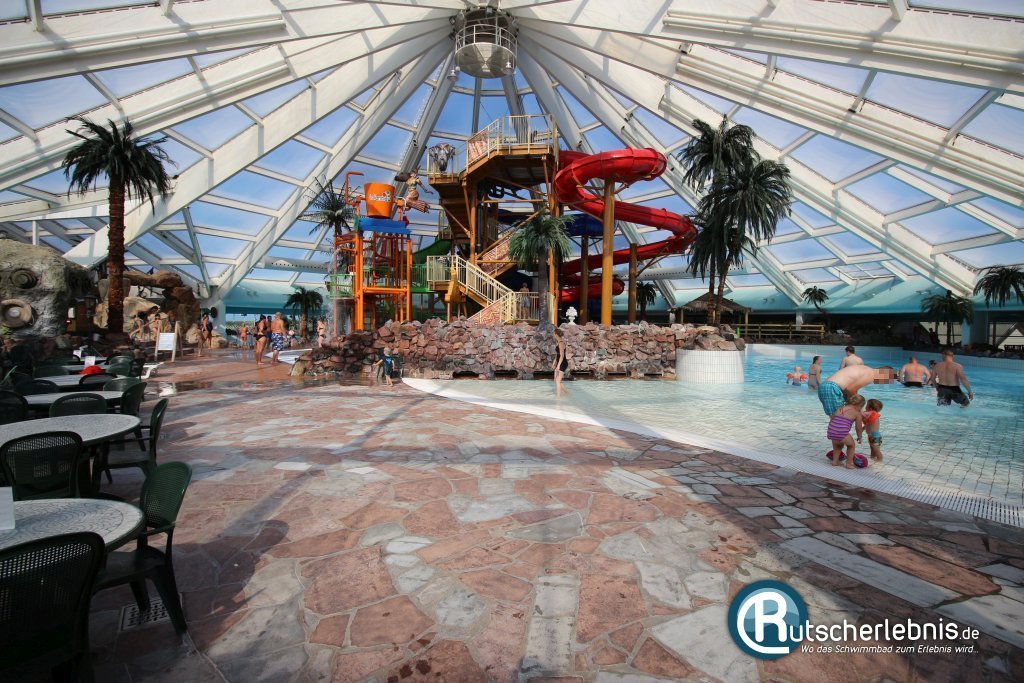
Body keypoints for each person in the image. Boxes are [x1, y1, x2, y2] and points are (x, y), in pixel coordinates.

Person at [817, 364, 895, 417]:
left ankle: (838, 436)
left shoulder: (866, 369)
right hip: (832, 388)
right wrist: (858, 408)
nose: (883, 382)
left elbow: (848, 389)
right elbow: (851, 389)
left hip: (826, 386)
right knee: (839, 420)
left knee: (837, 419)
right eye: (886, 380)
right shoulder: (871, 374)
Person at [827, 393, 865, 469]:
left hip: (831, 430)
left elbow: (832, 419)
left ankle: (835, 461)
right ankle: (848, 463)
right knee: (851, 445)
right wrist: (859, 437)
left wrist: (830, 432)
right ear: (859, 406)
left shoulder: (840, 408)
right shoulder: (857, 413)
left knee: (838, 446)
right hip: (841, 432)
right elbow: (858, 427)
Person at [862, 398, 884, 464]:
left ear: (870, 408)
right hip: (872, 435)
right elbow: (868, 424)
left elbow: (862, 413)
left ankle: (880, 460)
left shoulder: (872, 413)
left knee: (876, 450)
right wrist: (863, 429)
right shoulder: (871, 416)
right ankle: (872, 459)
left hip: (875, 436)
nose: (865, 407)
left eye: (866, 405)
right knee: (872, 448)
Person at [552, 328, 569, 397]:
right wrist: (554, 363)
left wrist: (558, 366)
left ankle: (558, 398)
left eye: (554, 333)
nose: (553, 334)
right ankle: (568, 394)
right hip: (559, 362)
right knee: (556, 380)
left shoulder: (561, 343)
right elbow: (557, 355)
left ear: (556, 334)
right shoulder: (558, 342)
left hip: (563, 363)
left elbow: (562, 356)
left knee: (558, 381)